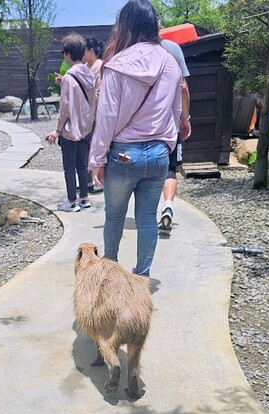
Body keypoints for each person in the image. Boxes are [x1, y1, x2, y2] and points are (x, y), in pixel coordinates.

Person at [88, 0, 182, 278]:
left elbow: (106, 119)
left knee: (115, 216)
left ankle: (111, 274)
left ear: (125, 25)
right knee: (146, 219)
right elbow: (175, 111)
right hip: (158, 155)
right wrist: (167, 145)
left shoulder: (116, 65)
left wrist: (97, 159)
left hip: (123, 155)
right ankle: (141, 277)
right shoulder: (170, 62)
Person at [45, 34, 96, 213]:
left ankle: (71, 202)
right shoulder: (88, 74)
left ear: (67, 54)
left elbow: (65, 108)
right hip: (85, 127)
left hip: (71, 129)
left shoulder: (69, 77)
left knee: (69, 166)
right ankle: (84, 198)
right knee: (82, 164)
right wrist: (63, 82)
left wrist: (57, 131)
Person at [157, 36, 192, 235]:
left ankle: (145, 213)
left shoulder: (132, 48)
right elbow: (183, 87)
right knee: (170, 170)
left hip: (145, 128)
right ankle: (167, 206)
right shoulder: (173, 48)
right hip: (171, 127)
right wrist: (185, 118)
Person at [84, 37, 105, 194]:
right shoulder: (86, 66)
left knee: (95, 147)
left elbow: (98, 92)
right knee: (86, 148)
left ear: (91, 51)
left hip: (95, 114)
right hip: (86, 114)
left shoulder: (99, 66)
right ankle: (88, 182)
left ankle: (97, 182)